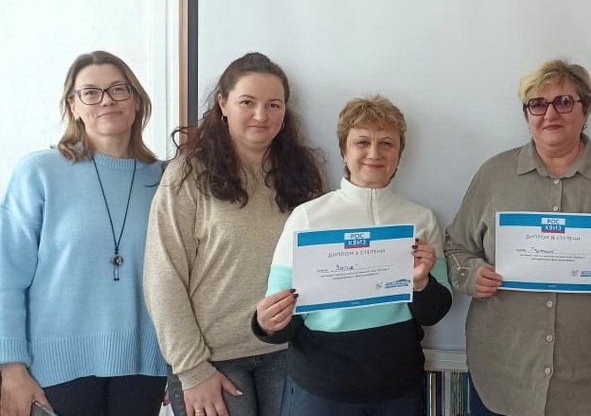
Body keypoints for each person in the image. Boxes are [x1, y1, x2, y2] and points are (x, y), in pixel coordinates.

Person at [444, 59, 591, 416]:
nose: (550, 114)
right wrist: (471, 275)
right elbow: (456, 247)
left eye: (564, 102)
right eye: (537, 104)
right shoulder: (493, 176)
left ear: (586, 110)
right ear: (527, 114)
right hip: (503, 373)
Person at [143, 52, 323, 416]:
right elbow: (163, 276)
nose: (261, 115)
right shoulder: (187, 175)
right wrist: (191, 370)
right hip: (212, 361)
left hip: (289, 352)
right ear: (223, 105)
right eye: (247, 102)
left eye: (273, 105)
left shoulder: (303, 174)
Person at [253, 95, 452, 414]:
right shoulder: (308, 218)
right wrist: (266, 323)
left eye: (386, 143)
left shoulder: (421, 219)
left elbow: (434, 313)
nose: (374, 153)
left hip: (398, 389)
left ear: (399, 154)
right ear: (344, 151)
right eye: (362, 142)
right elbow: (281, 321)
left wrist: (421, 282)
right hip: (321, 390)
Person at [0, 51, 168, 416]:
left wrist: (179, 361)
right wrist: (11, 368)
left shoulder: (165, 179)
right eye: (90, 92)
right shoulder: (39, 172)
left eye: (118, 89)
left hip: (145, 368)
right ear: (73, 106)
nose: (106, 100)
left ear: (137, 101)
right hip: (53, 371)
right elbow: (6, 277)